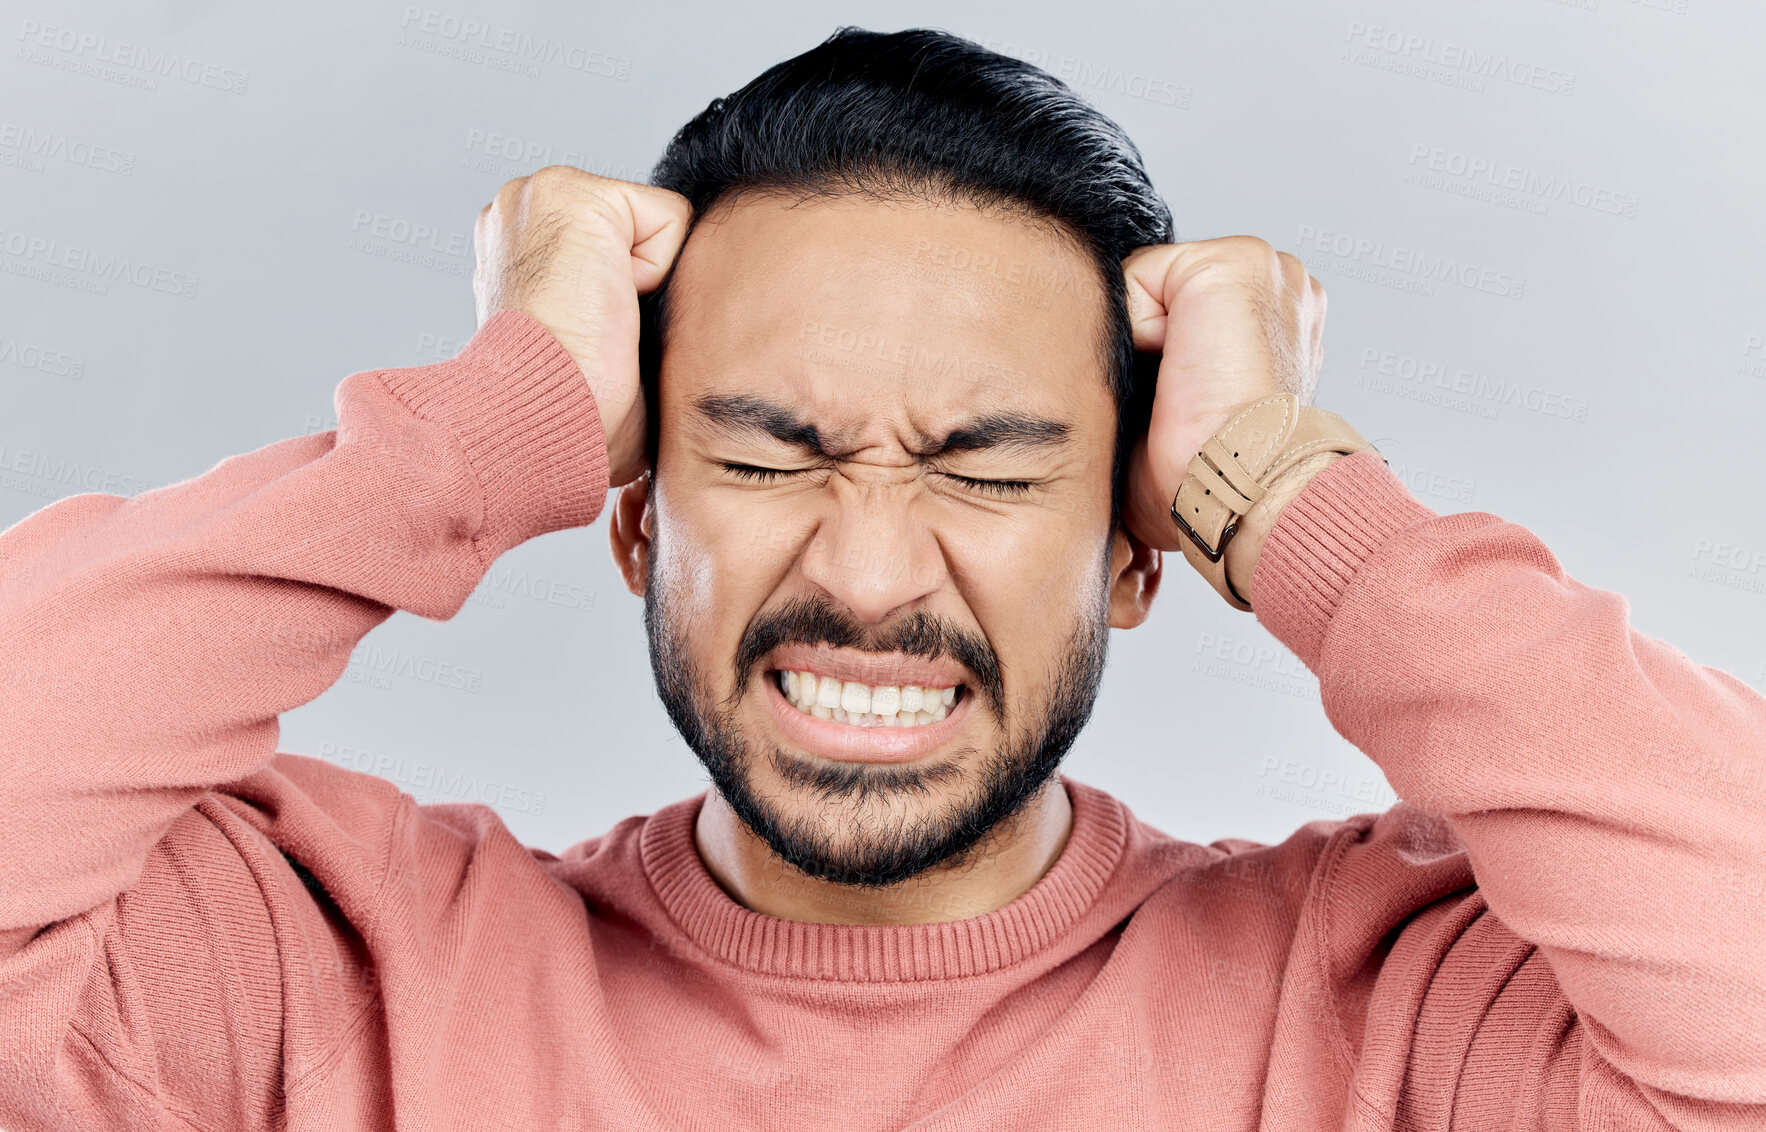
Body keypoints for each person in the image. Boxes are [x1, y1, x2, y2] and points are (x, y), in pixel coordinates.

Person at [1, 25, 1760, 1131]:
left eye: (989, 468)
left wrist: (1284, 492)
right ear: (627, 515)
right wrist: (476, 433)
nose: (861, 568)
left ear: (1143, 549)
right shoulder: (326, 976)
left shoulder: (1388, 1010)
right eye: (764, 457)